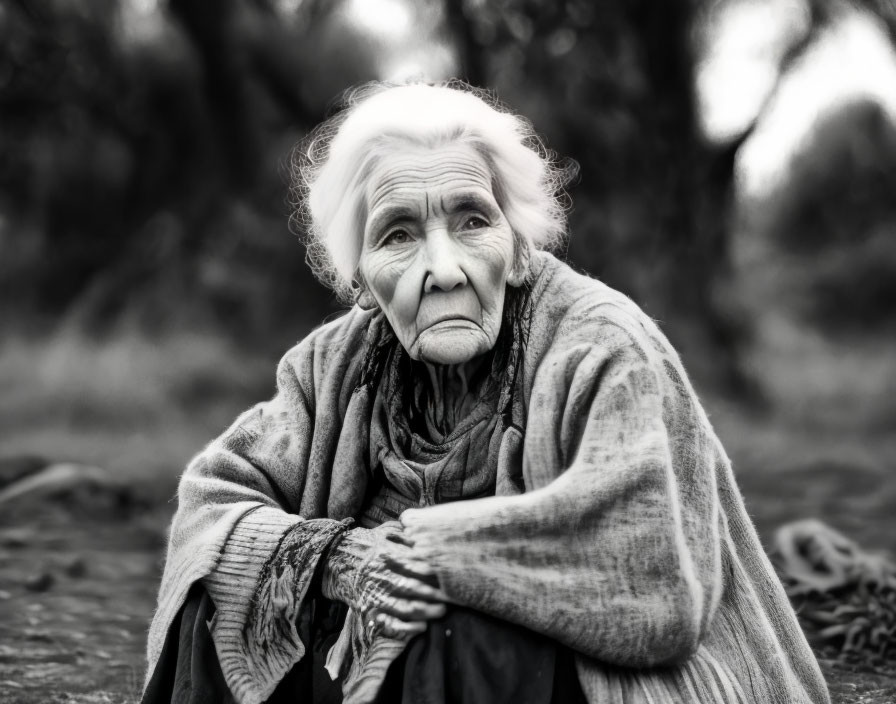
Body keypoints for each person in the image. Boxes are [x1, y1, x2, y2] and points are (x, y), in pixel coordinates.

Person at [142, 81, 831, 704]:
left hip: (635, 682)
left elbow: (649, 579)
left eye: (472, 221)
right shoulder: (333, 362)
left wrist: (429, 557)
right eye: (398, 234)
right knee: (227, 588)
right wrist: (339, 557)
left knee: (453, 627)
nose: (444, 269)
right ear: (361, 280)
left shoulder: (604, 348)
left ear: (521, 242)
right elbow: (212, 503)